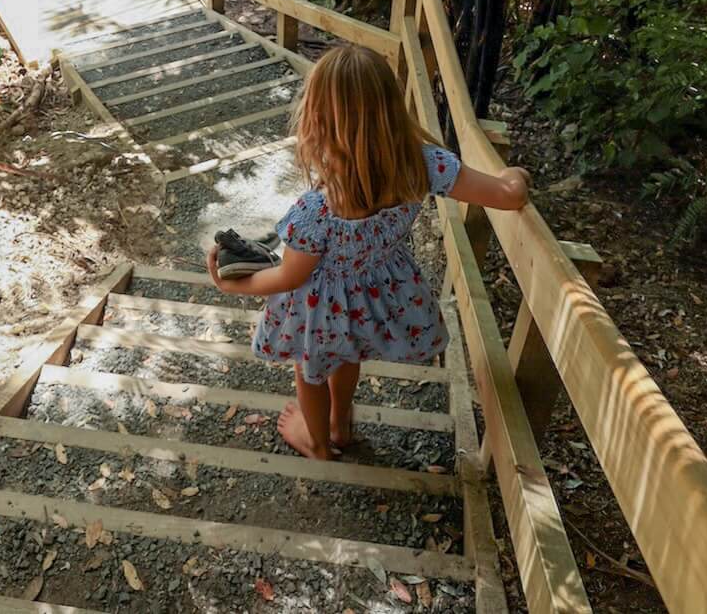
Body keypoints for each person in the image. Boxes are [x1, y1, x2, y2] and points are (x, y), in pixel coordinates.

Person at [206, 44, 530, 461]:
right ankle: (340, 425)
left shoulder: (315, 212)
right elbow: (507, 194)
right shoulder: (426, 164)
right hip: (377, 294)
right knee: (349, 353)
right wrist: (514, 175)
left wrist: (233, 286)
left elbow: (289, 276)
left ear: (319, 120)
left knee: (311, 372)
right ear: (392, 109)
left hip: (321, 309)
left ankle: (318, 443)